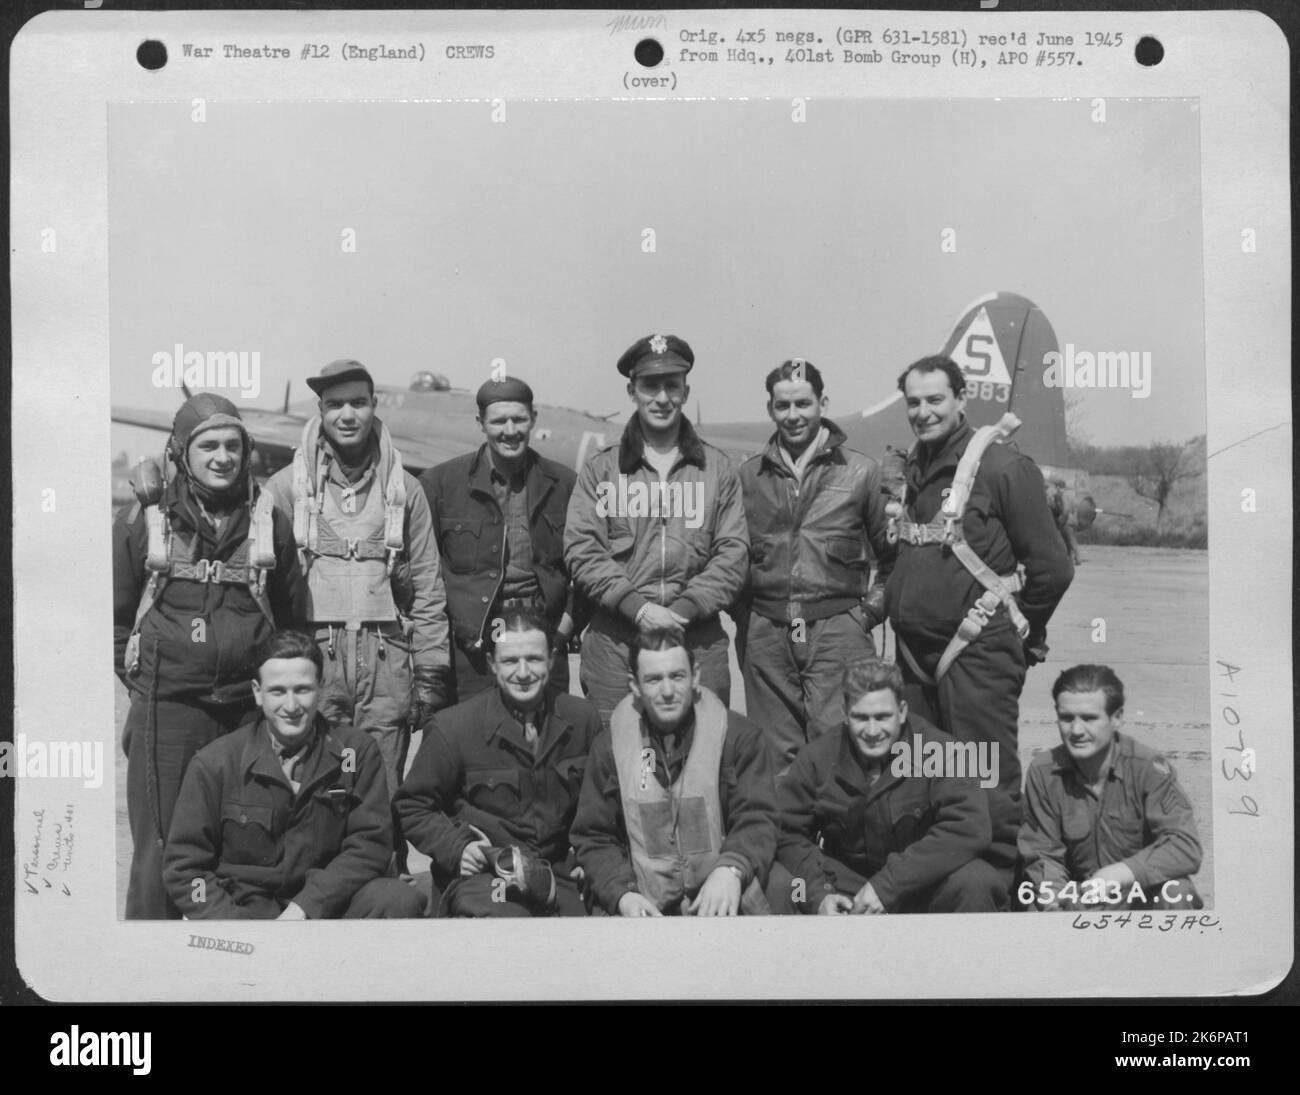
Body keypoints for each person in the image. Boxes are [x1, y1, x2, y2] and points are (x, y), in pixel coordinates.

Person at [113, 393, 304, 919]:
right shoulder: (145, 521)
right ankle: (151, 973)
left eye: (232, 446)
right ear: (180, 453)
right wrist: (152, 680)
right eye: (208, 446)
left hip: (245, 713)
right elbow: (115, 615)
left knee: (238, 851)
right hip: (168, 711)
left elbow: (291, 620)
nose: (222, 457)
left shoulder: (268, 522)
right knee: (161, 850)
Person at [884, 355, 1074, 880]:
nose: (923, 412)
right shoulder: (916, 470)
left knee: (984, 777)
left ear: (961, 399)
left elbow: (1053, 569)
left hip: (976, 653)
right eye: (914, 402)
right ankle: (936, 886)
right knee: (925, 777)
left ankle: (996, 891)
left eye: (935, 400)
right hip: (916, 659)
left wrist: (1015, 630)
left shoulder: (1002, 467)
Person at [263, 359, 451, 807]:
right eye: (335, 405)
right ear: (320, 411)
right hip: (314, 654)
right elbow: (262, 588)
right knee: (312, 782)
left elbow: (427, 586)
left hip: (386, 656)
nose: (347, 415)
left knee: (381, 787)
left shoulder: (404, 490)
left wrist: (431, 672)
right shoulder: (287, 489)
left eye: (358, 403)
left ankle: (386, 869)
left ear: (373, 406)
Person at [163, 630, 425, 919]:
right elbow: (185, 869)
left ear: (321, 689)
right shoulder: (215, 763)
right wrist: (235, 928)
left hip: (329, 906)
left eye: (302, 689)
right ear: (256, 693)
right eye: (277, 691)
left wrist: (305, 908)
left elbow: (370, 846)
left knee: (398, 899)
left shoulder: (357, 753)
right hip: (247, 913)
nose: (291, 706)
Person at [564, 334, 748, 725]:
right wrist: (641, 609)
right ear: (632, 390)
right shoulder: (602, 469)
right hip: (616, 642)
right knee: (616, 762)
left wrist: (680, 611)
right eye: (650, 385)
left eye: (672, 385)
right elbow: (582, 549)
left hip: (697, 638)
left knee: (703, 757)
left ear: (686, 391)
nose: (661, 398)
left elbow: (733, 555)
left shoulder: (718, 471)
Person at [737, 360, 895, 771]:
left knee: (843, 748)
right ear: (770, 408)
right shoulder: (748, 477)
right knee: (775, 758)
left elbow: (895, 561)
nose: (793, 416)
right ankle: (789, 837)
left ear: (822, 403)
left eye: (803, 403)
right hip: (767, 636)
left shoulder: (861, 472)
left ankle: (845, 836)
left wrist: (864, 616)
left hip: (837, 631)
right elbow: (730, 558)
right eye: (783, 406)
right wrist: (749, 621)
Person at [393, 605, 601, 917]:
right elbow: (412, 806)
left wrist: (592, 858)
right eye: (510, 661)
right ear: (492, 664)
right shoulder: (454, 727)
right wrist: (457, 848)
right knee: (508, 925)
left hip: (560, 871)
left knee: (603, 928)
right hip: (487, 876)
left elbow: (602, 807)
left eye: (533, 659)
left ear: (552, 660)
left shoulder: (583, 720)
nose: (523, 672)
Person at [768, 659, 1004, 914]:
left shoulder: (943, 751)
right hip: (846, 886)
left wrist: (887, 886)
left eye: (882, 717)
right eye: (861, 717)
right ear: (845, 712)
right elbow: (786, 832)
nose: (872, 731)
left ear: (902, 711)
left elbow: (969, 826)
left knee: (976, 880)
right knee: (779, 883)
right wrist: (818, 895)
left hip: (919, 882)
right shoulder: (818, 757)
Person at [571, 627, 777, 916]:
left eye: (677, 676)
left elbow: (758, 819)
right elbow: (594, 837)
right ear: (634, 685)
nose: (667, 691)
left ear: (696, 676)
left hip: (721, 887)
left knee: (781, 888)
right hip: (643, 896)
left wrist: (732, 869)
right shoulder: (609, 747)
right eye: (654, 680)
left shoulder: (739, 738)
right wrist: (622, 894)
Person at [419, 377, 582, 704]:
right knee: (472, 743)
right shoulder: (440, 485)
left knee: (546, 741)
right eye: (498, 421)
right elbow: (422, 574)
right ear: (481, 423)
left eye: (519, 419)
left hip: (543, 640)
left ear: (534, 418)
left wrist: (561, 633)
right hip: (471, 651)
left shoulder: (565, 484)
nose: (510, 430)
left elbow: (589, 568)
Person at [1018, 664, 1203, 911]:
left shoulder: (1148, 769)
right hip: (1076, 901)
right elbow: (1043, 854)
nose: (1076, 730)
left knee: (1177, 892)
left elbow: (1184, 845)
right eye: (1066, 718)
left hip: (1135, 898)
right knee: (1033, 903)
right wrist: (1055, 902)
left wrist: (1122, 873)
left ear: (1117, 718)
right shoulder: (1044, 772)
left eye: (1089, 718)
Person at [1045, 475, 1082, 565]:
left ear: (1058, 486)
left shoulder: (1063, 495)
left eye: (1055, 486)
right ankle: (1071, 559)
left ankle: (1076, 558)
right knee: (1070, 540)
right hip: (1073, 520)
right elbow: (1075, 507)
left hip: (1066, 521)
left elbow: (1065, 509)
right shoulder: (1072, 494)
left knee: (1069, 540)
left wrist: (1061, 520)